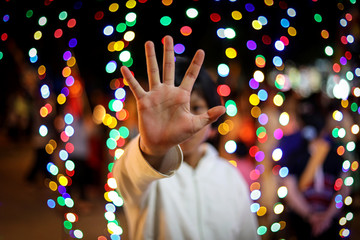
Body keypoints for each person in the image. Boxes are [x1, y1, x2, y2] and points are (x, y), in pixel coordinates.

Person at [112, 36, 259, 240]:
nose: (182, 121)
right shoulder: (149, 177)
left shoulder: (231, 178)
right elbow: (128, 175)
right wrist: (153, 150)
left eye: (196, 107)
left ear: (213, 124)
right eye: (171, 111)